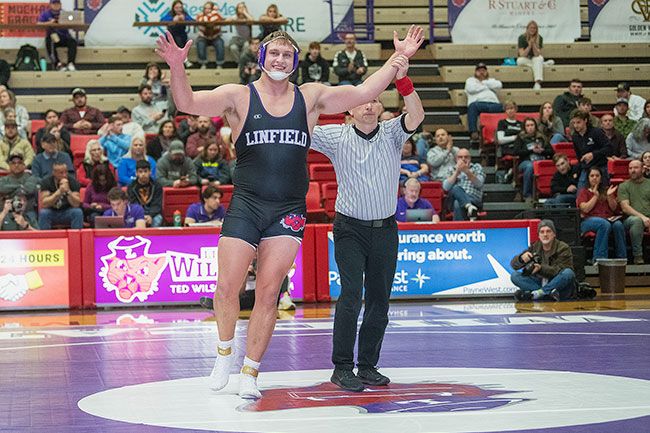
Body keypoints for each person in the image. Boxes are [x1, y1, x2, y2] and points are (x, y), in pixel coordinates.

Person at [155, 24, 422, 398]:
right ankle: (224, 354)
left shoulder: (310, 97)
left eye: (287, 54)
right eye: (274, 53)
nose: (280, 59)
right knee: (226, 287)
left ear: (295, 62)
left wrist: (401, 58)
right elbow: (188, 104)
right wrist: (177, 66)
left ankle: (250, 372)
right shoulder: (238, 96)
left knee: (268, 293)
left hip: (288, 209)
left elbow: (365, 91)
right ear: (261, 58)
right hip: (246, 204)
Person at [310, 61, 424, 392]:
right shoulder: (335, 136)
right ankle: (342, 367)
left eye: (375, 100)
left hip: (385, 228)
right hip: (349, 229)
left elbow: (415, 116)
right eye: (364, 100)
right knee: (350, 296)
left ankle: (368, 365)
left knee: (379, 299)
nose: (370, 105)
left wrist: (403, 83)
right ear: (349, 109)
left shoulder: (392, 132)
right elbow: (300, 130)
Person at [511, 220, 575, 301]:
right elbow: (514, 266)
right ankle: (545, 293)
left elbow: (558, 270)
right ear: (538, 235)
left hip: (556, 282)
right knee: (515, 276)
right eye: (542, 232)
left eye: (548, 231)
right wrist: (521, 259)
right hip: (539, 282)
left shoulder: (563, 248)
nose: (545, 235)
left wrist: (541, 269)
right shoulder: (534, 247)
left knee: (568, 273)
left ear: (554, 234)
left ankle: (539, 293)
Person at [576, 167, 626, 263]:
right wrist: (595, 196)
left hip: (608, 219)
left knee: (618, 225)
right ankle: (600, 259)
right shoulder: (584, 191)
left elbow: (614, 208)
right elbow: (585, 209)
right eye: (592, 176)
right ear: (588, 178)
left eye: (597, 176)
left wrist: (609, 196)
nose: (594, 178)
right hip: (588, 221)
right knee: (604, 224)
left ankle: (622, 258)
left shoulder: (607, 190)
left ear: (601, 178)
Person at [618, 160, 650, 265]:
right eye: (630, 168)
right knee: (637, 221)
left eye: (636, 168)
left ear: (643, 169)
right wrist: (643, 218)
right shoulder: (624, 186)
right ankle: (638, 256)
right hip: (630, 219)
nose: (632, 170)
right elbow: (625, 208)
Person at [513, 117, 552, 202]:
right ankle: (527, 195)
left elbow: (551, 151)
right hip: (525, 162)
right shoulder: (520, 137)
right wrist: (530, 150)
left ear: (535, 126)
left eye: (532, 125)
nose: (530, 127)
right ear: (524, 127)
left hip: (540, 160)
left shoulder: (542, 137)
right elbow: (516, 152)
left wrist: (542, 151)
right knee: (530, 166)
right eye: (527, 125)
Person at [571, 110, 612, 188]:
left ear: (585, 120)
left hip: (600, 166)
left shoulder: (596, 132)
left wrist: (593, 154)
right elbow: (579, 157)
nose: (576, 125)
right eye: (574, 123)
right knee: (581, 194)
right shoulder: (575, 137)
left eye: (578, 122)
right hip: (586, 168)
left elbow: (609, 148)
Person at [464, 62, 503, 142]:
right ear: (475, 72)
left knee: (507, 106)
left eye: (483, 70)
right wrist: (487, 85)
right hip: (478, 104)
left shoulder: (491, 80)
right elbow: (472, 89)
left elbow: (499, 85)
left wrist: (483, 82)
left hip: (494, 105)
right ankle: (474, 132)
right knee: (472, 107)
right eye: (479, 70)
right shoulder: (470, 80)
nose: (481, 72)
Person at [38, 161, 83, 229]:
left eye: (66, 172)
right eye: (61, 173)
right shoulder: (46, 182)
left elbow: (76, 204)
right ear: (54, 173)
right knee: (44, 213)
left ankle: (76, 238)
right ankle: (45, 238)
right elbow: (44, 204)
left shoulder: (73, 182)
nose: (64, 175)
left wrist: (68, 191)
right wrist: (59, 192)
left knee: (78, 212)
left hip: (67, 211)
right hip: (52, 211)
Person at [443, 148, 484, 221]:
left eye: (466, 157)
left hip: (473, 199)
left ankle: (459, 230)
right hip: (452, 200)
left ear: (470, 158)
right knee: (456, 188)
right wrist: (456, 172)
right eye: (460, 157)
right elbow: (445, 187)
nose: (463, 159)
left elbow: (479, 184)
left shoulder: (477, 167)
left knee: (458, 203)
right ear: (456, 159)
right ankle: (470, 208)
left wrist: (467, 172)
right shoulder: (451, 169)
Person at [37, 0, 77, 71]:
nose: (56, 5)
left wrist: (64, 22)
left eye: (58, 3)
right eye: (54, 4)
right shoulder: (46, 14)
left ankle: (71, 63)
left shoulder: (65, 13)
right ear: (50, 5)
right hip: (53, 37)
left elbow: (73, 22)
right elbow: (39, 24)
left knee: (73, 41)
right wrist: (50, 23)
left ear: (60, 5)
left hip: (64, 36)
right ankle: (58, 64)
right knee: (49, 41)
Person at [0, 152, 39, 221]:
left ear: (24, 165)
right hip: (8, 212)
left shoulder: (31, 178)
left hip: (27, 211)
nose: (16, 165)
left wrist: (9, 193)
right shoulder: (4, 179)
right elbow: (1, 188)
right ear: (9, 165)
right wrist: (20, 186)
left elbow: (28, 189)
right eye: (13, 163)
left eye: (19, 163)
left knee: (33, 223)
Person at [516, 20, 552, 90]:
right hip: (526, 58)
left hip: (535, 58)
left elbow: (537, 54)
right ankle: (542, 64)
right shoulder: (522, 37)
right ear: (527, 28)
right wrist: (529, 46)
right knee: (519, 61)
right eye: (531, 28)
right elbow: (522, 54)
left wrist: (533, 45)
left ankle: (537, 82)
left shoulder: (539, 38)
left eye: (534, 28)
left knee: (539, 58)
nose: (532, 30)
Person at [127, 159, 163, 227]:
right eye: (140, 172)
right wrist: (141, 216)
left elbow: (157, 204)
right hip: (137, 213)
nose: (143, 174)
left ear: (150, 172)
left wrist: (150, 216)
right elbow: (133, 204)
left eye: (145, 171)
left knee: (158, 220)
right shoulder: (131, 187)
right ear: (136, 173)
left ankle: (152, 237)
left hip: (153, 214)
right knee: (130, 221)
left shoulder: (157, 186)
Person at [161, 0, 194, 68]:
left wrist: (185, 18)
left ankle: (184, 60)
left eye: (180, 7)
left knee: (179, 39)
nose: (179, 9)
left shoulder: (184, 14)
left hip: (181, 34)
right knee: (174, 40)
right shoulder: (170, 13)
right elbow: (162, 20)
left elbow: (192, 20)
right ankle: (183, 60)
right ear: (173, 8)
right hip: (171, 34)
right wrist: (173, 19)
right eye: (176, 7)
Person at [195, 1, 225, 69]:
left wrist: (213, 14)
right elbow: (203, 21)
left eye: (209, 9)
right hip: (203, 36)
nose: (207, 10)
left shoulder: (217, 15)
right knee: (200, 43)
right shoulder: (200, 15)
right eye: (205, 8)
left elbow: (216, 19)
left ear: (212, 9)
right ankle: (203, 63)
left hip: (215, 36)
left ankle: (219, 64)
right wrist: (209, 16)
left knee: (220, 43)